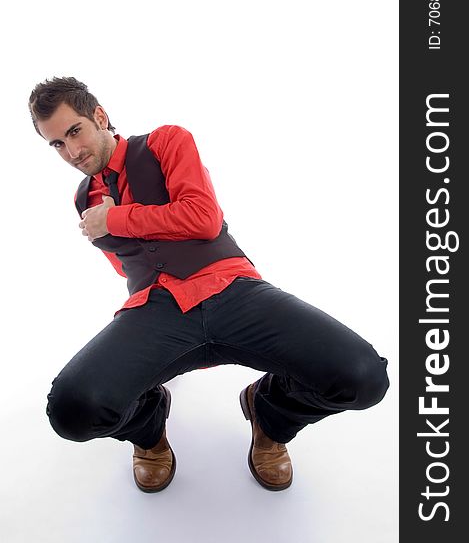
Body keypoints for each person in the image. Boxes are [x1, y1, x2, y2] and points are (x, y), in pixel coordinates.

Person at [29, 76, 389, 493]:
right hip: (156, 309)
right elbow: (124, 265)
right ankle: (148, 424)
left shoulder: (165, 141)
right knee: (71, 409)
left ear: (99, 116)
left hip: (231, 289)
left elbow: (203, 218)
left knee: (364, 377)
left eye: (75, 131)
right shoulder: (83, 198)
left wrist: (114, 219)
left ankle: (269, 413)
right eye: (56, 144)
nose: (72, 151)